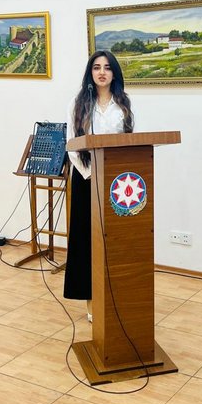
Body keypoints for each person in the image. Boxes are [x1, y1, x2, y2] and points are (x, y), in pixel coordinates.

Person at [63, 50, 133, 320]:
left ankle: (116, 296)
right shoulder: (78, 103)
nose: (102, 72)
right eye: (96, 67)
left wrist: (114, 175)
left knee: (114, 241)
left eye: (107, 67)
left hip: (116, 183)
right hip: (86, 180)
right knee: (87, 243)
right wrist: (90, 174)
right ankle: (91, 302)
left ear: (114, 73)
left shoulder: (123, 103)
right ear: (90, 73)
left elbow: (130, 142)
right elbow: (72, 144)